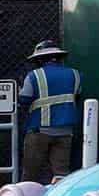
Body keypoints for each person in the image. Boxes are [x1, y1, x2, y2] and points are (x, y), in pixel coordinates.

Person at [18, 41, 81, 185]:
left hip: (39, 130)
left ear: (41, 59)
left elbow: (24, 99)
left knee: (30, 176)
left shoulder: (34, 75)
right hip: (66, 131)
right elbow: (77, 95)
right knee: (61, 177)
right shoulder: (75, 74)